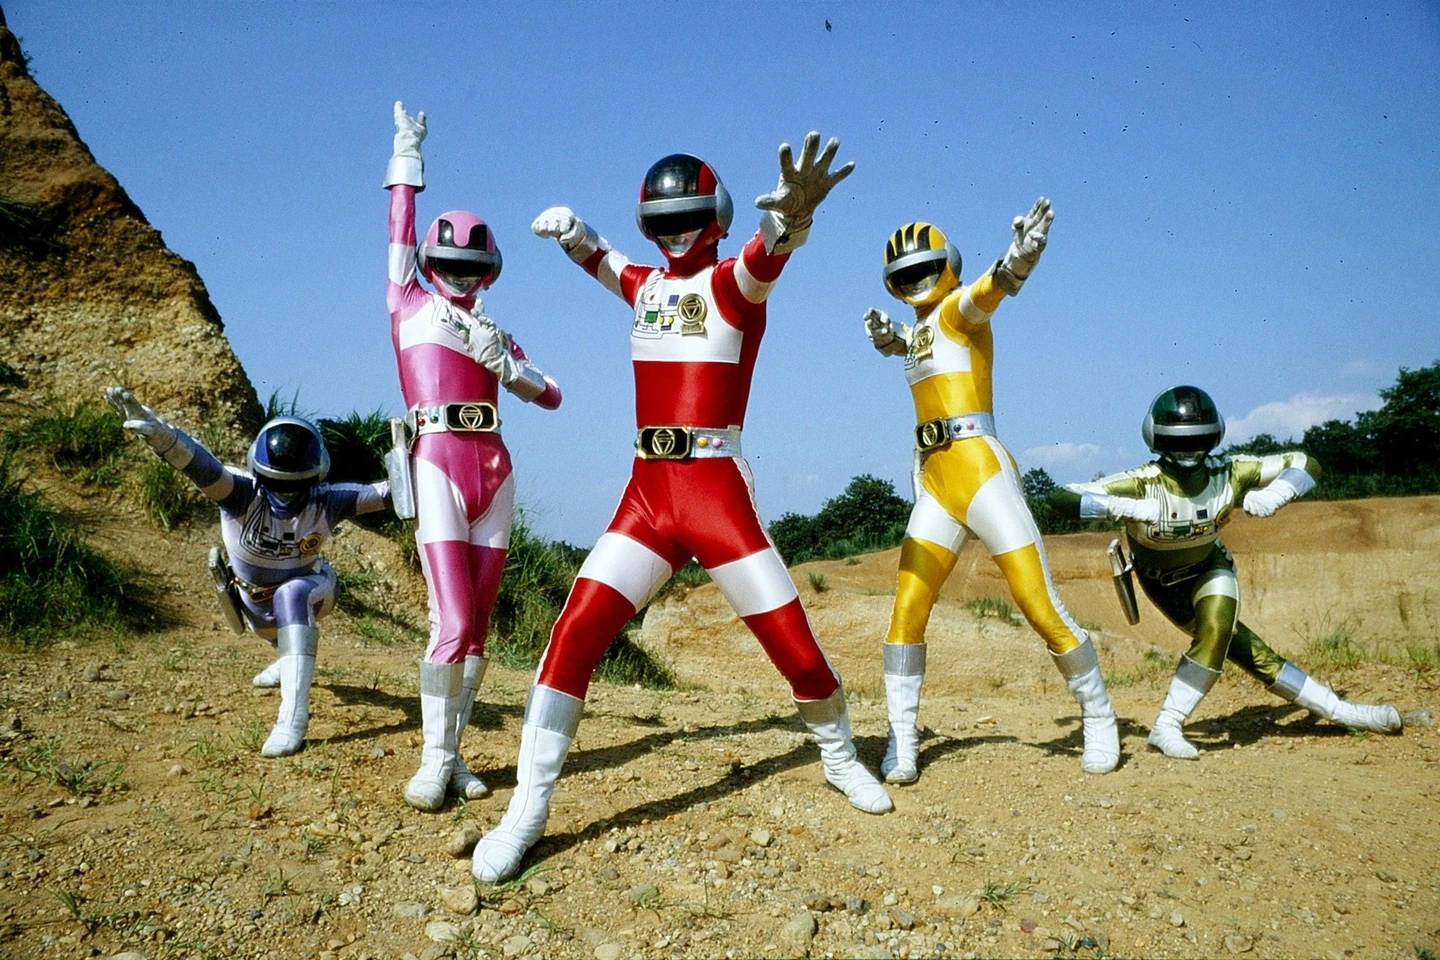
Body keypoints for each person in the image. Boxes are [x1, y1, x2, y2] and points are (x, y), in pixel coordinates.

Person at [472, 132, 891, 884]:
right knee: (574, 632)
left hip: (715, 492)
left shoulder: (732, 286)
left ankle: (838, 755)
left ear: (717, 218)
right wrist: (575, 235)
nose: (675, 233)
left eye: (689, 218)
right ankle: (527, 811)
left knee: (793, 645)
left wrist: (791, 218)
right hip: (647, 494)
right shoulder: (648, 288)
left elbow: (767, 255)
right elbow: (607, 264)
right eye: (662, 222)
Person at [862, 201, 1121, 783]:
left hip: (980, 472)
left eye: (923, 268)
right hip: (935, 484)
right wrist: (893, 339)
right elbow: (921, 344)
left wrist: (1021, 256)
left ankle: (1100, 715)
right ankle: (902, 738)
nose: (914, 280)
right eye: (903, 275)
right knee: (907, 608)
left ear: (948, 265)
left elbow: (990, 289)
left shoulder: (958, 311)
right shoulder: (925, 328)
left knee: (1036, 600)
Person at [1047, 385, 1402, 758]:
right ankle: (1338, 710)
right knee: (1244, 649)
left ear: (1213, 437)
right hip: (1161, 584)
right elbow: (1060, 498)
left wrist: (1280, 491)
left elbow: (1304, 461)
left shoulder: (1230, 472)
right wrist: (1121, 506)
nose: (1189, 451)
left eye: (1198, 441)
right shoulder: (1142, 483)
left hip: (1209, 567)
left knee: (1217, 632)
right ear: (1157, 440)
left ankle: (1169, 724)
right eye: (1178, 443)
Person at [384, 101, 562, 810]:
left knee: (479, 627)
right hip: (436, 461)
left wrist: (507, 366)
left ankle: (452, 755)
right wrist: (408, 157)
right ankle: (434, 761)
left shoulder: (494, 331)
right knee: (452, 621)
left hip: (494, 469)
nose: (460, 276)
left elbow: (552, 394)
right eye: (450, 264)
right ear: (433, 265)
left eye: (472, 267)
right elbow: (398, 232)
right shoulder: (408, 305)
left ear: (488, 271)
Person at [105, 388, 388, 757]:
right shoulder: (239, 494)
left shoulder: (329, 501)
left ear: (316, 476)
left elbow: (390, 492)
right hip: (253, 604)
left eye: (297, 486)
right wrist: (164, 437)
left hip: (314, 588)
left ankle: (292, 720)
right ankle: (285, 659)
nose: (287, 496)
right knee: (273, 623)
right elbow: (201, 466)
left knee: (291, 595)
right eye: (278, 484)